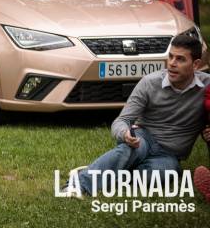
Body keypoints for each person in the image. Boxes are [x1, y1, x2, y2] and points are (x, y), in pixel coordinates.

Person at [60, 34, 210, 197]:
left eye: (180, 59)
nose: (172, 64)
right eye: (171, 57)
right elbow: (121, 120)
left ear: (195, 65)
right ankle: (78, 185)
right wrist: (124, 133)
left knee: (160, 175)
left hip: (170, 154)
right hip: (143, 138)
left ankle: (98, 171)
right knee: (128, 151)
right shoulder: (150, 82)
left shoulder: (207, 87)